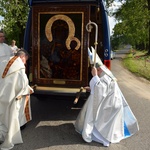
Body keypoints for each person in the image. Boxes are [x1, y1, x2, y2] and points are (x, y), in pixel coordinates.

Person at [74, 48, 139, 147]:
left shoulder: (104, 77)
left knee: (95, 117)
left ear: (100, 69)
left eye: (97, 70)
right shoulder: (107, 75)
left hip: (110, 106)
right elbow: (102, 90)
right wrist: (91, 89)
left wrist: (95, 76)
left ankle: (104, 139)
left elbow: (101, 90)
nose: (97, 71)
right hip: (113, 104)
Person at [0, 49, 34, 150]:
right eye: (26, 60)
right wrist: (29, 89)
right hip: (12, 97)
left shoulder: (3, 62)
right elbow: (22, 85)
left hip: (2, 95)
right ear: (22, 57)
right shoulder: (19, 68)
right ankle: (9, 135)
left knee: (2, 115)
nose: (25, 63)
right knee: (10, 117)